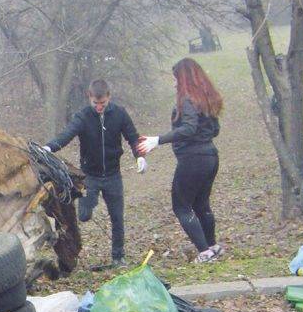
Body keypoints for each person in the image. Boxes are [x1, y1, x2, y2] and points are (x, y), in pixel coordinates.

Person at [43, 78, 145, 269]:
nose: (99, 107)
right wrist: (49, 148)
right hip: (90, 176)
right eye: (95, 103)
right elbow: (67, 135)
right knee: (84, 215)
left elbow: (133, 138)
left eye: (103, 103)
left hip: (113, 175)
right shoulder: (83, 117)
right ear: (89, 97)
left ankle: (118, 256)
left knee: (117, 217)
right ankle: (87, 205)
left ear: (109, 97)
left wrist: (139, 156)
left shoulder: (119, 114)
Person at [138, 58, 223, 264]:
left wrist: (157, 140)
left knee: (182, 206)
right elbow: (216, 130)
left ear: (183, 79)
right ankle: (213, 246)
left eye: (176, 78)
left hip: (193, 159)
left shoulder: (187, 99)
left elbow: (188, 128)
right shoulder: (206, 99)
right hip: (211, 156)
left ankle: (204, 252)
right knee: (201, 204)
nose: (174, 83)